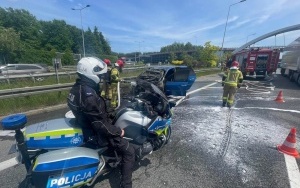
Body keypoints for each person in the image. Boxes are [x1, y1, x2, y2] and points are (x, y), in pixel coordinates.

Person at [67, 57, 135, 188]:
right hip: (97, 135)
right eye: (98, 73)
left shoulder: (76, 89)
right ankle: (126, 185)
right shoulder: (89, 96)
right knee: (129, 151)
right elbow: (100, 125)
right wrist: (117, 131)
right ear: (90, 73)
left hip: (85, 125)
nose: (101, 76)